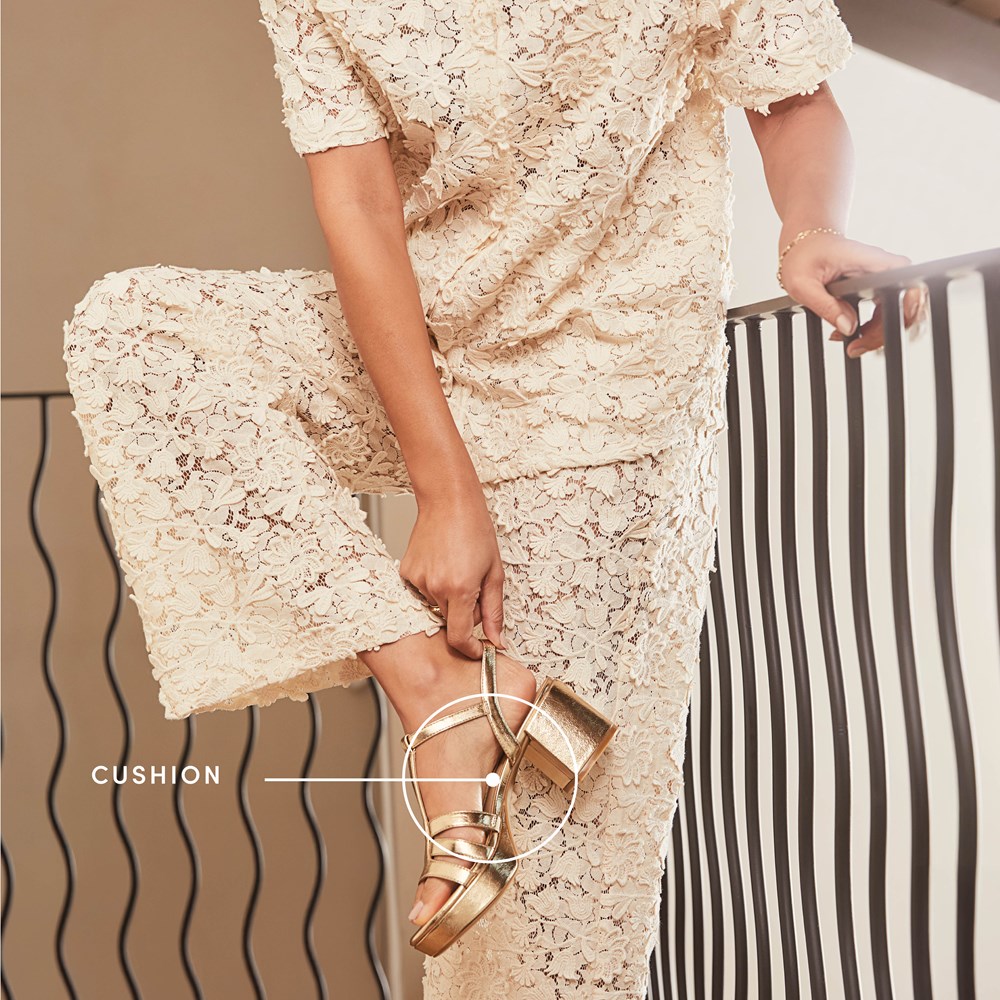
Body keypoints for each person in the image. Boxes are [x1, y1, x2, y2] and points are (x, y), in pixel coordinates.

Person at [61, 0, 924, 995]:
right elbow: (358, 204)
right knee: (135, 333)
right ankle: (434, 687)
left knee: (541, 896)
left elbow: (792, 97)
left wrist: (810, 229)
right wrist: (445, 490)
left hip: (606, 388)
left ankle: (469, 723)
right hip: (428, 341)